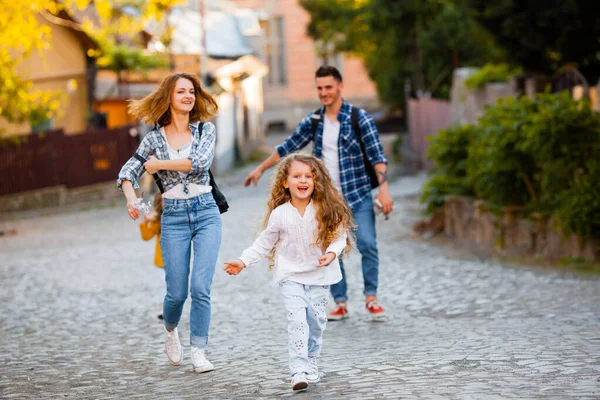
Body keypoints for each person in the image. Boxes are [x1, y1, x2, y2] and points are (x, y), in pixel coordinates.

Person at [244, 65, 393, 320]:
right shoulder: (315, 121)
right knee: (330, 250)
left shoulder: (359, 118)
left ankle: (371, 298)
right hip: (328, 199)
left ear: (340, 87)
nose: (324, 93)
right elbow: (288, 146)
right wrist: (260, 169)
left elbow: (377, 157)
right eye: (320, 88)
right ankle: (340, 301)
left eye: (328, 87)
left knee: (367, 244)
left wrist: (385, 192)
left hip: (358, 195)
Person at [117, 72, 221, 373]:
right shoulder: (153, 139)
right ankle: (170, 329)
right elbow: (127, 173)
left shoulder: (205, 131)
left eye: (192, 91)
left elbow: (200, 164)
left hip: (206, 212)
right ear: (169, 98)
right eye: (181, 92)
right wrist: (132, 200)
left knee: (201, 287)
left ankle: (199, 350)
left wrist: (159, 164)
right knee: (177, 293)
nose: (188, 96)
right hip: (173, 216)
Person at [224, 153, 354, 391]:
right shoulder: (280, 214)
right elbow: (264, 243)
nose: (303, 180)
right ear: (285, 182)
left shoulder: (325, 209)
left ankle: (312, 359)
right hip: (291, 277)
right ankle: (298, 370)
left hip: (319, 277)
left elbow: (339, 237)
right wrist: (243, 261)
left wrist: (332, 254)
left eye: (308, 176)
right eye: (297, 176)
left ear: (316, 182)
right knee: (297, 323)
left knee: (316, 324)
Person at [139, 192, 165, 320]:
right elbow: (146, 236)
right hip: (161, 259)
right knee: (163, 284)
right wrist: (145, 222)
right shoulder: (157, 220)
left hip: (176, 258)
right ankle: (162, 308)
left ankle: (173, 307)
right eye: (162, 201)